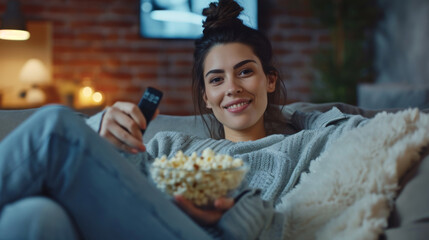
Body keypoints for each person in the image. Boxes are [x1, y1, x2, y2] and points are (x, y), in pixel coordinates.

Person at [1, 0, 425, 239]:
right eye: (217, 79)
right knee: (33, 219)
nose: (232, 89)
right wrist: (102, 133)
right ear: (206, 96)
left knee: (55, 128)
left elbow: (386, 128)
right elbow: (116, 195)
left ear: (269, 79)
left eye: (245, 72)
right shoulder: (168, 146)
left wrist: (231, 210)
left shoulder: (306, 145)